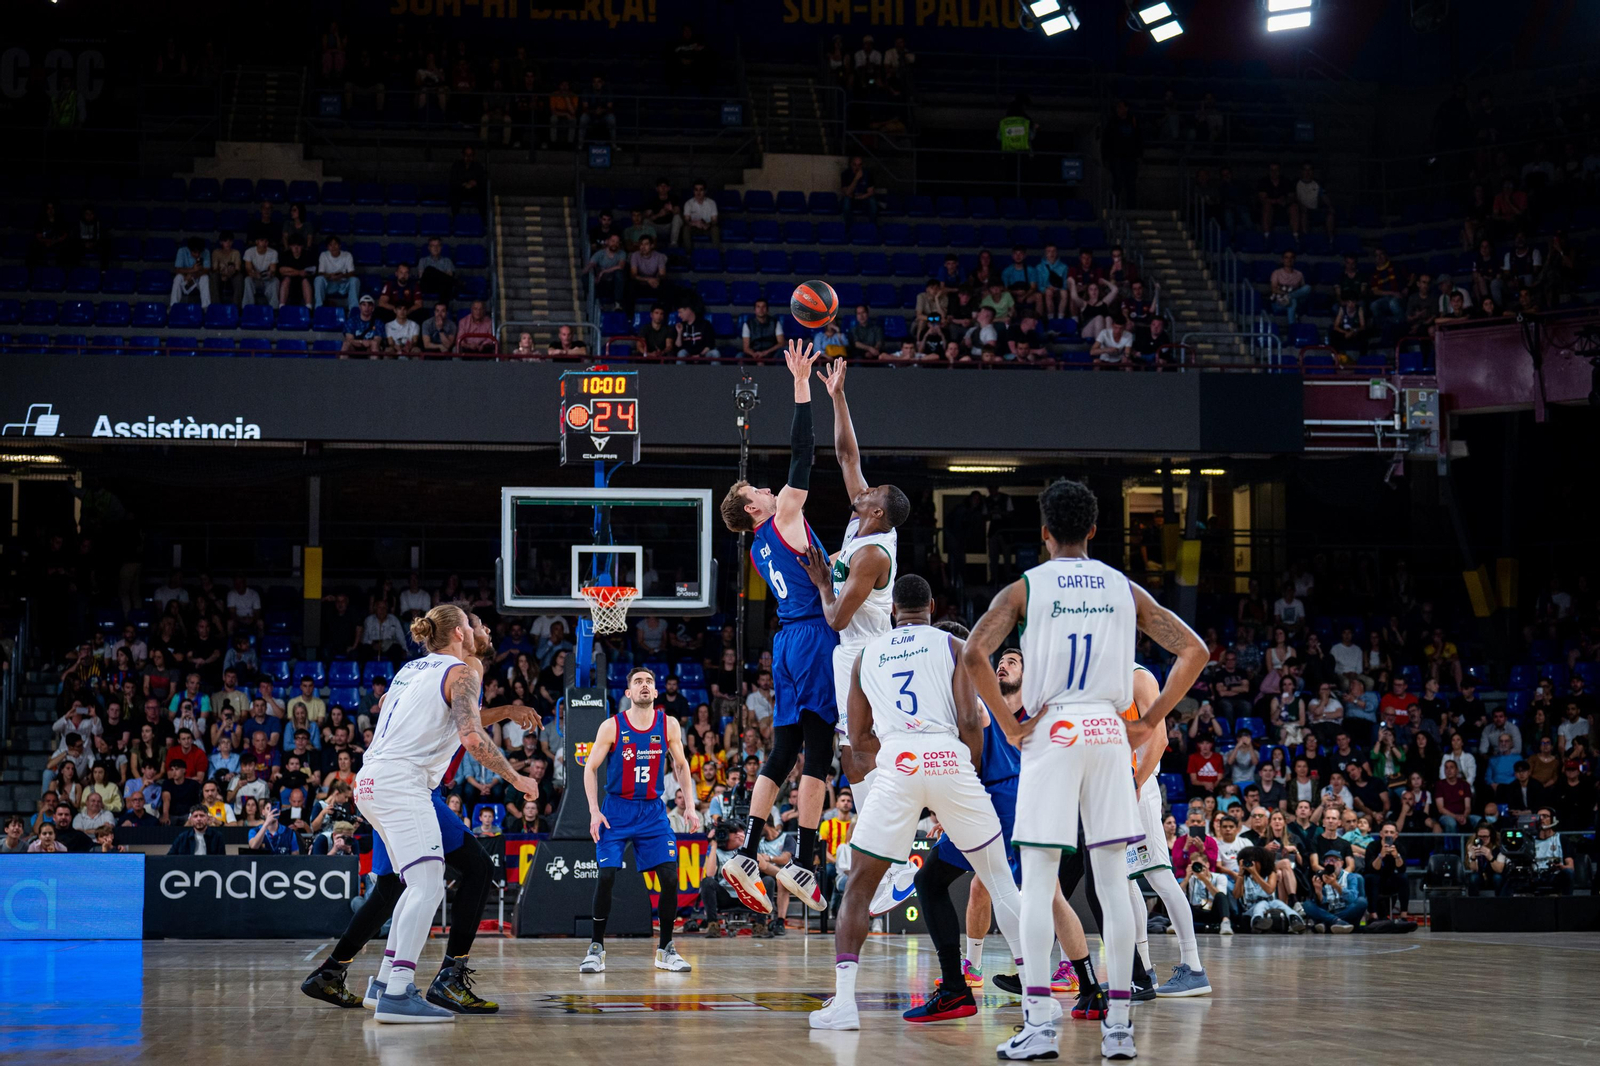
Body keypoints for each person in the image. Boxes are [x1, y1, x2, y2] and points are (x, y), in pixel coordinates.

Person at [964, 478, 1208, 1062]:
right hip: (1105, 733)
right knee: (1113, 885)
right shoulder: (1123, 588)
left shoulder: (1025, 588)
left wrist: (1010, 724)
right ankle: (1119, 1028)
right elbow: (1194, 650)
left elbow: (974, 652)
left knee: (1039, 882)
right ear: (1094, 531)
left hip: (1054, 731)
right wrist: (1150, 720)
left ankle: (1040, 1025)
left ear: (1044, 532)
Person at [809, 576, 1025, 1031]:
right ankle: (1037, 1003)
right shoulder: (951, 645)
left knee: (859, 888)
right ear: (930, 605)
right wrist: (958, 770)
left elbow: (856, 736)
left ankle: (845, 1004)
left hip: (896, 764)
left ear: (892, 611)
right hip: (948, 758)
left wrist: (892, 760)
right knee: (1001, 884)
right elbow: (970, 719)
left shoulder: (866, 655)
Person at [303, 624, 531, 1016]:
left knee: (392, 884)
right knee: (468, 869)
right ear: (460, 633)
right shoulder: (466, 666)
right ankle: (440, 980)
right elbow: (469, 729)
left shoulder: (412, 669)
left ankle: (344, 973)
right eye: (477, 624)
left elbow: (453, 715)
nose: (485, 628)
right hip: (412, 787)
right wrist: (516, 776)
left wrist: (506, 710)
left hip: (377, 780)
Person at [716, 340, 841, 917]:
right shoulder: (783, 515)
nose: (767, 488)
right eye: (755, 492)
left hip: (787, 642)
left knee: (783, 746)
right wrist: (801, 382)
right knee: (816, 751)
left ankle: (745, 848)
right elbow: (802, 452)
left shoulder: (761, 547)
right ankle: (804, 859)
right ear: (755, 510)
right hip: (814, 636)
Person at [911, 641, 1091, 1009]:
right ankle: (979, 971)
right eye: (1001, 662)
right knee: (978, 885)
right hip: (989, 803)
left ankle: (1055, 981)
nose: (1003, 667)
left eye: (1012, 662)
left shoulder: (1041, 713)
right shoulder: (985, 704)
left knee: (1045, 895)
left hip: (1014, 807)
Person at [796, 357, 913, 913]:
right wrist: (837, 395)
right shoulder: (859, 522)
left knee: (859, 750)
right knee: (855, 752)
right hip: (858, 653)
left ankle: (892, 858)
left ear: (880, 511)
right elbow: (847, 454)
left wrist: (822, 582)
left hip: (867, 652)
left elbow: (838, 619)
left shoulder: (870, 552)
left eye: (872, 492)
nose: (862, 490)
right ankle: (889, 854)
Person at [579, 666, 699, 975]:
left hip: (652, 811)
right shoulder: (612, 726)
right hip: (617, 810)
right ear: (629, 693)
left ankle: (666, 948)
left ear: (656, 692)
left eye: (649, 682)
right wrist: (594, 810)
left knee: (670, 877)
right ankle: (596, 947)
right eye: (637, 682)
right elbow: (589, 768)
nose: (644, 686)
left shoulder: (668, 724)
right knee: (606, 876)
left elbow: (682, 765)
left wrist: (690, 806)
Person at [1124, 666, 1213, 997]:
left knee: (1158, 876)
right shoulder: (1100, 676)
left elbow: (1159, 739)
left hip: (1139, 784)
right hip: (1119, 787)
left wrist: (1135, 784)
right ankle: (1142, 972)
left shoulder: (1137, 676)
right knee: (1124, 879)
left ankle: (1194, 967)